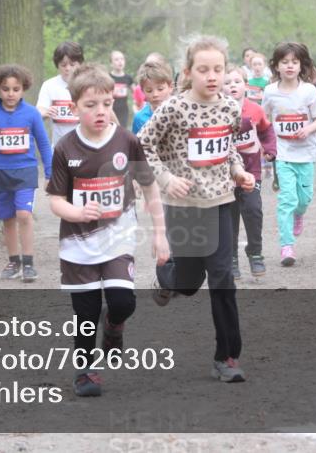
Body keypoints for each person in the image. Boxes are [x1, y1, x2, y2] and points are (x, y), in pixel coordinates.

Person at [46, 64, 169, 397]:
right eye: (90, 105)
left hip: (118, 238)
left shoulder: (126, 141)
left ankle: (114, 324)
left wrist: (160, 234)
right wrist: (77, 212)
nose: (100, 111)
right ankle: (85, 371)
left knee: (122, 301)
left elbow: (149, 186)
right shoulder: (65, 148)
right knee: (85, 314)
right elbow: (55, 200)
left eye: (106, 103)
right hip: (78, 244)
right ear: (74, 108)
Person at [138, 35, 255, 383]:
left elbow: (229, 148)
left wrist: (238, 171)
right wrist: (165, 179)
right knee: (189, 283)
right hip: (183, 206)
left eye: (218, 69)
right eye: (204, 70)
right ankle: (167, 276)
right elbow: (142, 145)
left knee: (223, 279)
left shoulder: (230, 108)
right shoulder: (173, 108)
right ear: (189, 72)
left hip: (220, 204)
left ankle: (227, 356)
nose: (212, 76)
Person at [0, 64, 53, 282]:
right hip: (1, 172)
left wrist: (49, 173)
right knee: (8, 218)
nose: (11, 94)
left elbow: (43, 143)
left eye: (16, 89)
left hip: (25, 171)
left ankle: (28, 262)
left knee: (23, 214)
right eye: (6, 89)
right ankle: (13, 261)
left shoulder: (32, 114)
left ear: (23, 89)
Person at [262, 42, 316, 266]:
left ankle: (299, 214)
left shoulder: (308, 91)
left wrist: (308, 129)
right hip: (283, 154)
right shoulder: (270, 92)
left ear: (301, 66)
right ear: (276, 66)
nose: (289, 66)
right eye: (284, 62)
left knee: (303, 199)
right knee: (286, 199)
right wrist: (266, 145)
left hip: (306, 154)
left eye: (294, 62)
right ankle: (286, 246)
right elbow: (264, 120)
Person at [224, 64, 276, 279]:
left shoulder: (255, 110)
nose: (232, 86)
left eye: (237, 82)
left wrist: (270, 149)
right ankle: (231, 259)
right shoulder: (216, 111)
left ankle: (255, 253)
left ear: (245, 85)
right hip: (225, 175)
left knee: (253, 210)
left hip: (251, 171)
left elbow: (266, 130)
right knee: (229, 218)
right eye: (227, 82)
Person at [37, 41, 85, 146]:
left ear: (80, 64)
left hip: (84, 147)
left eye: (72, 64)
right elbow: (39, 111)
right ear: (57, 65)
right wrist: (45, 112)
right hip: (59, 147)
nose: (68, 68)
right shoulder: (49, 85)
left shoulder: (88, 84)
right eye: (63, 65)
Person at [131, 61, 174, 135]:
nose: (155, 94)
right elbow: (135, 141)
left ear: (170, 87)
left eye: (160, 89)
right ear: (143, 91)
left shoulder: (180, 112)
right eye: (149, 91)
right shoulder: (139, 118)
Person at [109, 50, 135, 128]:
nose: (120, 61)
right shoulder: (108, 77)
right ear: (111, 63)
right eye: (116, 59)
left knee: (122, 130)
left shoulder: (128, 78)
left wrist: (137, 103)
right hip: (111, 109)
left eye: (122, 59)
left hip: (123, 110)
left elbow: (136, 92)